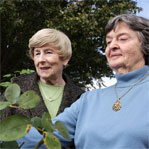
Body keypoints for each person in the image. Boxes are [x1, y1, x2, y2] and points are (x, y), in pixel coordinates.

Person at [8, 14, 149, 148]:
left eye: (122, 39)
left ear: (145, 45)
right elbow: (46, 134)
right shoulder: (89, 100)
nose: (112, 46)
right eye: (108, 41)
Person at [0, 28, 84, 120]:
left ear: (65, 58)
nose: (41, 60)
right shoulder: (17, 88)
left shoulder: (81, 98)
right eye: (37, 53)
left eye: (48, 52)